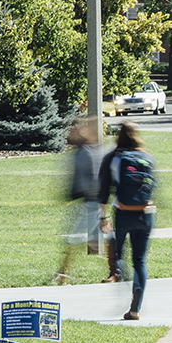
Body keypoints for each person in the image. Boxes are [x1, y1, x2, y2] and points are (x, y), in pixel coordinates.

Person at [98, 121, 157, 320]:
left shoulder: (113, 158)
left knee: (120, 255)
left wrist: (103, 216)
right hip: (145, 214)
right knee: (140, 260)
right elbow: (153, 187)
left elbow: (103, 190)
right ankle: (135, 307)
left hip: (122, 213)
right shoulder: (147, 158)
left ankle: (121, 280)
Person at [56, 117, 103, 284]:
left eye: (73, 131)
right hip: (88, 202)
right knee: (96, 238)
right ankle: (116, 269)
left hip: (91, 202)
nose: (69, 134)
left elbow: (94, 178)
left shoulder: (87, 152)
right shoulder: (83, 151)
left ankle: (63, 273)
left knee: (75, 238)